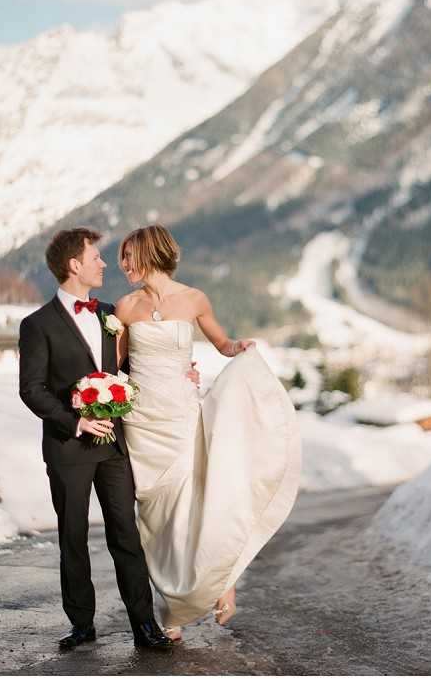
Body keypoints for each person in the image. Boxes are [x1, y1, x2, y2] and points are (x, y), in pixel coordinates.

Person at [115, 224, 301, 641]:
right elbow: (116, 367)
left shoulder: (195, 299)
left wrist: (240, 349)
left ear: (147, 254)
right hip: (142, 423)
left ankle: (214, 584)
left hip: (181, 417)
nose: (122, 265)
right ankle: (174, 603)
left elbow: (221, 343)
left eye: (127, 256)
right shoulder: (124, 308)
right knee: (155, 519)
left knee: (193, 506)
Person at [18, 227, 200, 651]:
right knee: (73, 537)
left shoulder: (108, 313)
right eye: (96, 257)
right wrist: (75, 422)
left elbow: (134, 363)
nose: (104, 264)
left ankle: (144, 626)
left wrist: (183, 372)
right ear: (74, 266)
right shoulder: (36, 324)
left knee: (126, 535)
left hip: (115, 446)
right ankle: (82, 624)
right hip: (68, 448)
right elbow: (32, 389)